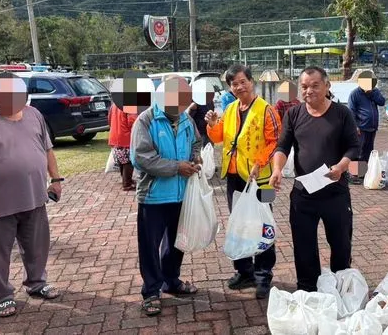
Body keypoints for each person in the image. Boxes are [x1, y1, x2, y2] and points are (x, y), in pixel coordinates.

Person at [268, 66, 360, 292]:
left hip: (335, 192)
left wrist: (340, 167)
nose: (308, 91)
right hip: (303, 195)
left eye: (315, 85)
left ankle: (341, 286)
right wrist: (277, 169)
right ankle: (308, 289)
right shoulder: (293, 114)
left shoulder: (341, 113)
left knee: (340, 245)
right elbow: (282, 146)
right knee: (304, 246)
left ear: (327, 86)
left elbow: (353, 146)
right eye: (304, 87)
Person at [0, 72, 63, 318]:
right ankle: (1, 295)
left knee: (37, 246)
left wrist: (56, 178)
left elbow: (47, 149)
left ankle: (36, 283)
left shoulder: (34, 115)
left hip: (35, 196)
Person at [206, 65, 281, 299]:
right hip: (234, 176)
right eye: (233, 84)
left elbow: (276, 141)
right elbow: (220, 137)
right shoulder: (229, 109)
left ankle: (263, 275)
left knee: (263, 224)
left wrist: (259, 162)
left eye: (242, 82)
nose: (238, 87)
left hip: (263, 180)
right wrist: (211, 124)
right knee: (239, 223)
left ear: (251, 82)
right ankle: (244, 271)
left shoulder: (266, 110)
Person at [130, 76, 202, 316]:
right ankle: (151, 291)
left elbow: (196, 142)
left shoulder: (186, 119)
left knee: (176, 242)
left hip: (181, 194)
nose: (183, 104)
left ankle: (171, 280)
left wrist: (195, 158)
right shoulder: (146, 120)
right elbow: (141, 158)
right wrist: (176, 167)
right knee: (150, 246)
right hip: (154, 196)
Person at [348, 70, 386, 162]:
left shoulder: (375, 91)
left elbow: (381, 102)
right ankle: (357, 174)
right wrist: (355, 126)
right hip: (361, 128)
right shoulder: (355, 94)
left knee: (368, 151)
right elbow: (351, 111)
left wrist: (372, 93)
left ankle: (365, 173)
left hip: (372, 127)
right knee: (359, 151)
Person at [108, 103, 138, 191]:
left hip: (115, 136)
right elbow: (133, 121)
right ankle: (127, 184)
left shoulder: (114, 105)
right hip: (126, 137)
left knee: (122, 160)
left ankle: (126, 180)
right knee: (128, 161)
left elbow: (109, 119)